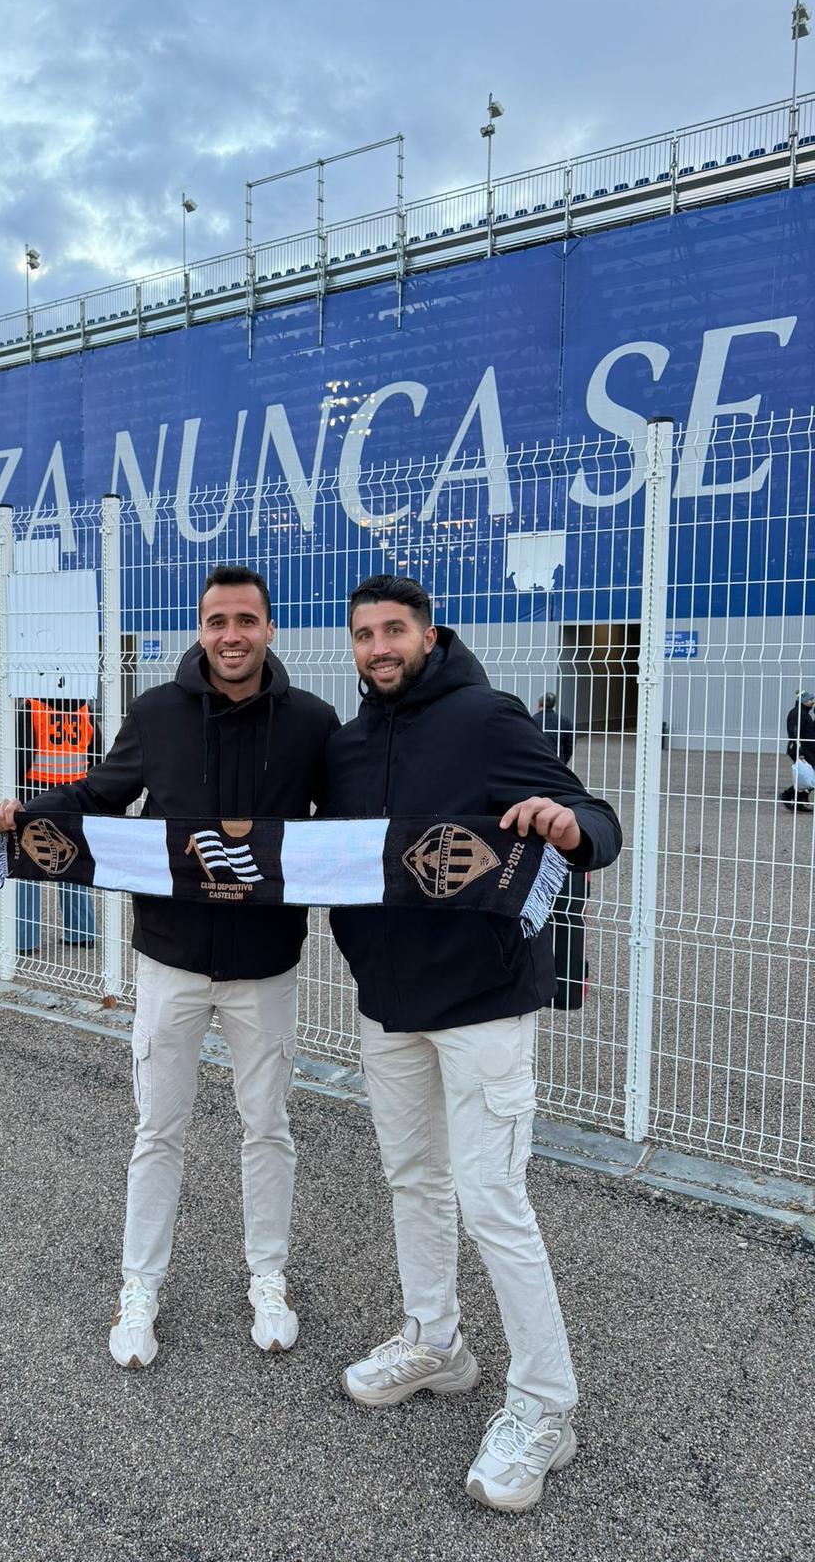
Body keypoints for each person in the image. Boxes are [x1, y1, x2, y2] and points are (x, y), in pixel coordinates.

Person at [0, 566, 340, 1368]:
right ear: (201, 627)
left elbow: (354, 827)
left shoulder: (313, 724)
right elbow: (100, 795)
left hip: (266, 965)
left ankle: (269, 1277)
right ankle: (138, 1286)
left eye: (246, 620)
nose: (231, 635)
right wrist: (27, 814)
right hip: (170, 963)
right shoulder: (155, 713)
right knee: (159, 1129)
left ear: (269, 628)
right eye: (217, 620)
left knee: (268, 1127)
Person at [323, 574, 621, 1514]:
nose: (379, 647)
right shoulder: (347, 743)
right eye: (365, 634)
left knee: (494, 1198)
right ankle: (435, 1342)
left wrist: (572, 827)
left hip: (484, 1002)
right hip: (387, 1005)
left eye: (394, 631)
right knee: (414, 1179)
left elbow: (592, 816)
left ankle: (545, 1408)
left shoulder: (486, 717)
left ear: (428, 634)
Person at [11, 695, 102, 950]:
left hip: (35, 796)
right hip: (76, 796)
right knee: (73, 863)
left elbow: (21, 757)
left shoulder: (32, 707)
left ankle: (24, 940)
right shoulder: (85, 708)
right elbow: (96, 756)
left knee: (29, 866)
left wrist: (17, 798)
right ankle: (81, 932)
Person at [779, 689, 815, 813]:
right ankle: (788, 795)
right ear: (803, 701)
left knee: (808, 776)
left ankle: (800, 800)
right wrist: (800, 752)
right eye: (810, 699)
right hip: (802, 750)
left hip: (809, 749)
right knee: (808, 776)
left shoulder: (805, 713)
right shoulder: (797, 714)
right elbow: (794, 734)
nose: (813, 701)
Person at [532, 692, 574, 767]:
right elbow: (569, 745)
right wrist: (563, 761)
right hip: (557, 761)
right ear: (553, 705)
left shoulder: (532, 720)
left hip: (537, 760)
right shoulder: (565, 721)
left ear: (539, 704)